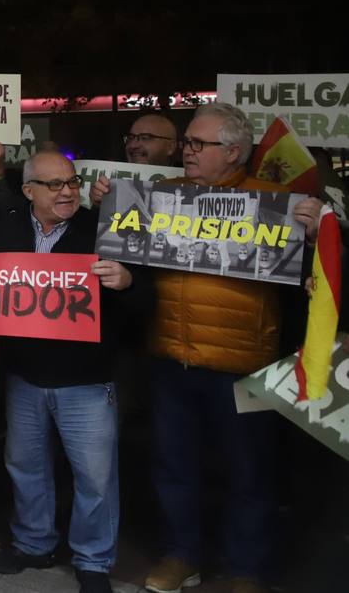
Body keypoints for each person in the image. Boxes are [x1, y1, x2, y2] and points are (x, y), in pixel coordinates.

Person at [137, 103, 323, 593]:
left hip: (243, 366)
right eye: (188, 144)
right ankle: (182, 554)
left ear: (235, 152)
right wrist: (103, 203)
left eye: (200, 145)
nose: (188, 152)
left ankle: (247, 568)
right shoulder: (161, 196)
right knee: (174, 467)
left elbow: (316, 284)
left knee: (249, 474)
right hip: (170, 356)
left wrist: (317, 236)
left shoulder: (276, 202)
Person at [0, 152, 151, 593]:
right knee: (26, 467)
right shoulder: (8, 228)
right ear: (28, 191)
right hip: (24, 376)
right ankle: (33, 544)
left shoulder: (102, 229)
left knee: (95, 478)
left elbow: (147, 302)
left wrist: (127, 282)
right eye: (54, 185)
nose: (68, 191)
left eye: (72, 182)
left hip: (86, 379)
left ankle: (93, 561)